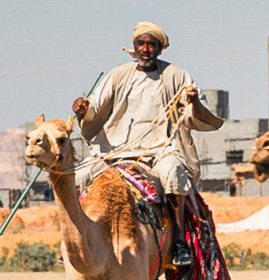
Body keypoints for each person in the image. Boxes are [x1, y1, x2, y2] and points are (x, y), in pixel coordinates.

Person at [71, 21, 225, 266]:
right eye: (141, 44)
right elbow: (95, 108)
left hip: (161, 148)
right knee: (76, 178)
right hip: (117, 151)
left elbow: (195, 115)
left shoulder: (176, 75)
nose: (145, 49)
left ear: (159, 48)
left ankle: (177, 243)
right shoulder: (118, 75)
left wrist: (194, 102)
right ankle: (77, 243)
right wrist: (82, 109)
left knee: (173, 173)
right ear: (134, 47)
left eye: (151, 44)